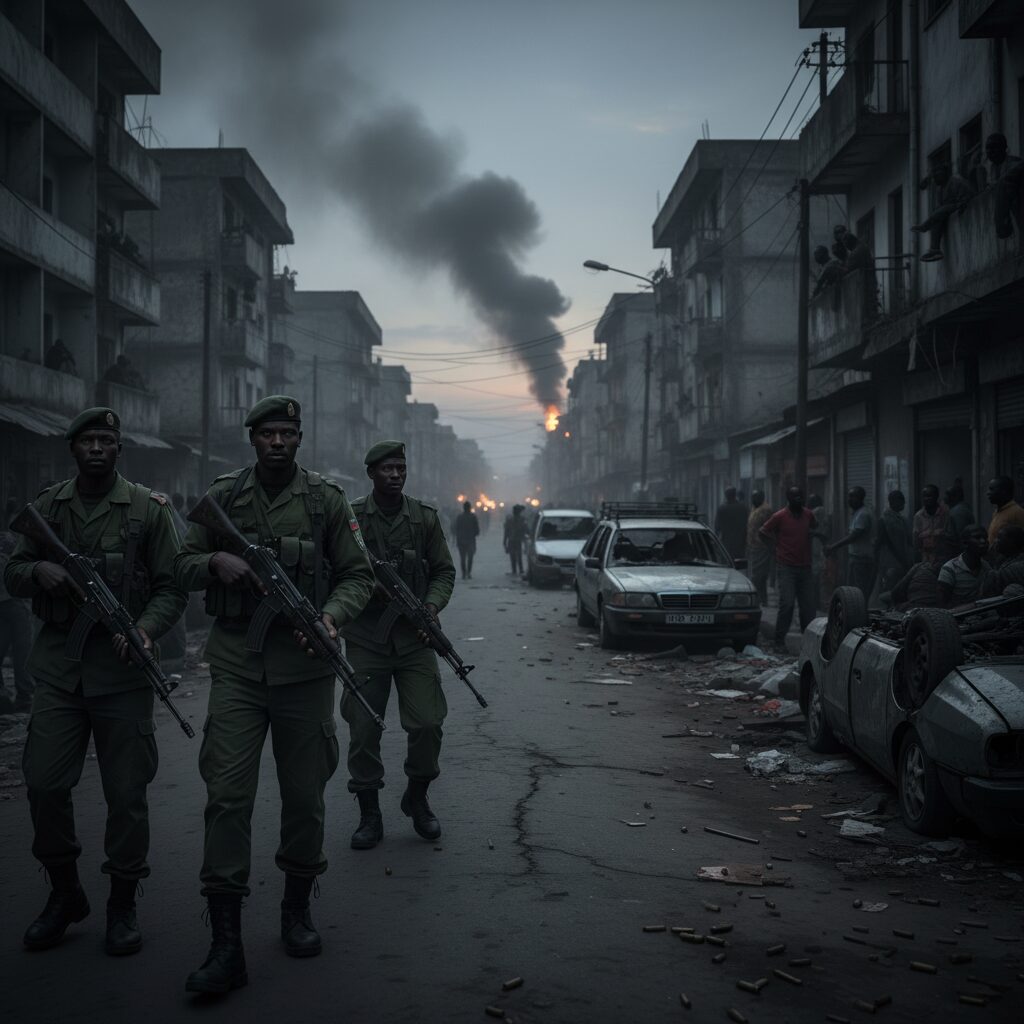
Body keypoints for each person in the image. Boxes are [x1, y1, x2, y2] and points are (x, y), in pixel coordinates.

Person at [174, 395, 374, 992]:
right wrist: (216, 561)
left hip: (306, 672)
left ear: (299, 439)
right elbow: (179, 564)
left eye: (288, 433)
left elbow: (358, 575)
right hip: (237, 664)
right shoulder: (224, 496)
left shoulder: (326, 500)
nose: (279, 442)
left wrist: (331, 617)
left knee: (305, 798)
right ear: (253, 439)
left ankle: (296, 909)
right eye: (268, 434)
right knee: (226, 797)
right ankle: (225, 941)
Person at [2, 407, 186, 956]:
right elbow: (13, 572)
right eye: (89, 441)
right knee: (43, 783)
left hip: (124, 676)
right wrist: (38, 571)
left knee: (126, 795)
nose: (98, 448)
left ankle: (122, 902)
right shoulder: (46, 508)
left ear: (120, 448)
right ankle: (65, 893)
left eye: (107, 440)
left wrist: (146, 630)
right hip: (60, 671)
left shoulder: (149, 510)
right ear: (73, 449)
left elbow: (173, 587)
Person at [342, 441, 456, 855]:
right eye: (387, 469)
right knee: (363, 728)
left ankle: (417, 796)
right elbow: (335, 569)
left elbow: (443, 572)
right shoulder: (351, 518)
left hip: (414, 639)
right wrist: (364, 589)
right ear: (371, 473)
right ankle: (369, 813)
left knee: (427, 722)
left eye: (400, 469)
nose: (395, 475)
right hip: (365, 639)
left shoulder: (424, 518)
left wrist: (430, 608)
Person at [759, 487, 817, 651]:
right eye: (795, 498)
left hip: (805, 567)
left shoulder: (808, 514)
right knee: (787, 604)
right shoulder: (779, 516)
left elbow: (814, 527)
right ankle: (779, 641)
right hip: (786, 567)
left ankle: (808, 642)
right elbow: (763, 531)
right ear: (789, 499)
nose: (799, 500)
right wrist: (773, 548)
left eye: (801, 497)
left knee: (808, 607)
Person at [0, 498, 34, 713]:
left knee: (15, 649)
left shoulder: (8, 539)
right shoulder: (14, 540)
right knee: (23, 651)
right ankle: (24, 696)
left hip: (9, 601)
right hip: (15, 602)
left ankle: (13, 695)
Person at [911, 164, 974, 261]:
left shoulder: (955, 181)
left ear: (945, 173)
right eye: (934, 176)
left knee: (940, 212)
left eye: (937, 175)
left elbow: (966, 197)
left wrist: (959, 205)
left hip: (962, 203)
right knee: (937, 217)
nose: (935, 178)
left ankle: (925, 226)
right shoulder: (940, 189)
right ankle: (935, 250)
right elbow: (940, 207)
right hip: (949, 209)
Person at [827, 487, 875, 602]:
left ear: (860, 498)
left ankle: (860, 612)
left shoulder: (863, 514)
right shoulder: (857, 513)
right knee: (853, 593)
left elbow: (854, 536)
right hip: (856, 559)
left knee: (859, 593)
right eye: (849, 496)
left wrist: (833, 547)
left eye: (853, 497)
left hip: (862, 560)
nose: (849, 499)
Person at [938, 525, 991, 607]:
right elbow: (942, 606)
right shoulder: (950, 569)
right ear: (965, 543)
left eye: (985, 537)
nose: (983, 541)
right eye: (977, 538)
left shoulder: (986, 567)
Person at [984, 132, 1024, 238]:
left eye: (994, 147)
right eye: (988, 148)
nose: (990, 151)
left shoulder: (1014, 163)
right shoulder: (993, 168)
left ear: (1003, 148)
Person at [874, 490, 913, 593]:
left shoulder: (902, 519)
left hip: (902, 561)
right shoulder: (884, 519)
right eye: (901, 500)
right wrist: (877, 562)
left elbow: (908, 541)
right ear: (893, 501)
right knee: (889, 588)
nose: (904, 503)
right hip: (890, 562)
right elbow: (879, 543)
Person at [913, 484, 956, 568]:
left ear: (936, 496)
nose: (926, 499)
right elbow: (916, 542)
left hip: (944, 559)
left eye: (929, 496)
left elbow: (951, 536)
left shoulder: (945, 513)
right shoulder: (918, 516)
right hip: (926, 561)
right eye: (924, 496)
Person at [979, 525, 1024, 597]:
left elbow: (987, 590)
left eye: (999, 537)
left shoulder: (1012, 569)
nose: (995, 541)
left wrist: (989, 556)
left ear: (1011, 542)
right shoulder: (1006, 560)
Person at [746, 490, 773, 606]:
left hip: (762, 546)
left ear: (761, 498)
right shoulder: (754, 508)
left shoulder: (765, 510)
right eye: (752, 497)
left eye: (756, 497)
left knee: (758, 576)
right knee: (758, 575)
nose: (753, 500)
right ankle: (762, 599)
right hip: (754, 546)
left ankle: (757, 599)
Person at [807, 494, 834, 609]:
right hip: (823, 547)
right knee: (822, 576)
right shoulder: (825, 513)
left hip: (816, 547)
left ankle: (817, 602)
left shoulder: (815, 512)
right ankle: (820, 602)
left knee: (816, 576)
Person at [986, 475, 1024, 546]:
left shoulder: (1017, 512)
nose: (988, 493)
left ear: (1004, 491)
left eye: (992, 489)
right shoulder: (997, 512)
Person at [714, 487, 748, 564]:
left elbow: (717, 527)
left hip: (726, 543)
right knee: (739, 565)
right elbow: (747, 525)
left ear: (726, 496)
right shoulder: (743, 508)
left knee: (727, 563)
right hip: (740, 543)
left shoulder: (722, 508)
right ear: (735, 495)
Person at [453, 500, 480, 580]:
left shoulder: (459, 517)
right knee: (470, 558)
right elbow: (477, 530)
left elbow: (456, 529)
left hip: (461, 540)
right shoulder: (473, 517)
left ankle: (464, 573)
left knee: (463, 558)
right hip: (470, 540)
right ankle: (468, 572)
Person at [504, 504, 528, 576]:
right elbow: (525, 530)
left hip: (514, 540)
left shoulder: (510, 520)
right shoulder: (521, 519)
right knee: (517, 555)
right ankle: (519, 570)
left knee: (514, 556)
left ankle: (516, 570)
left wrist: (504, 541)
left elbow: (506, 531)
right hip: (516, 540)